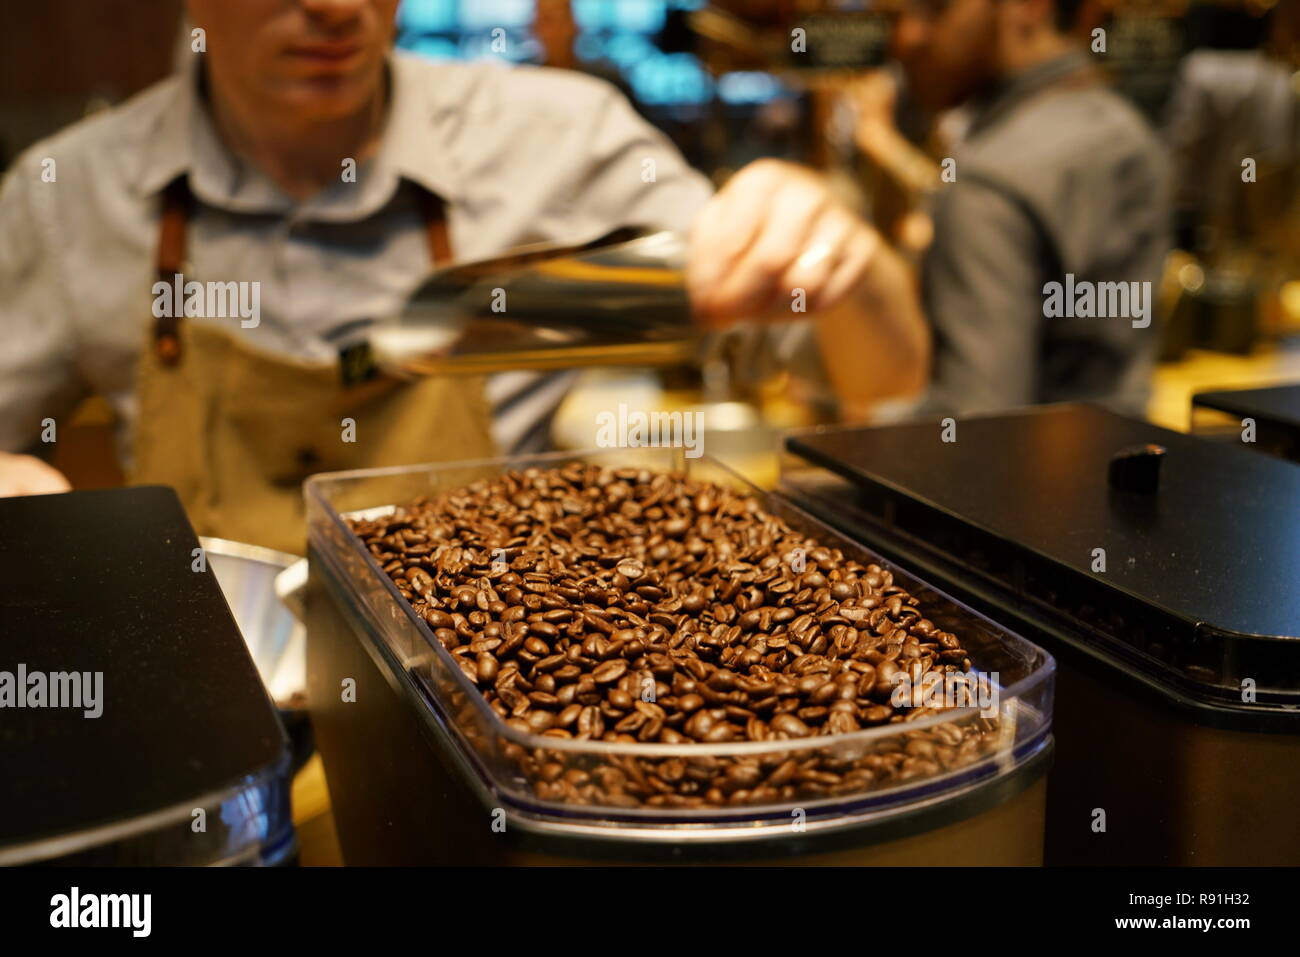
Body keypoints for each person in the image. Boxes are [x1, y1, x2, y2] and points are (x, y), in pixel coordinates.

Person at [0, 0, 924, 551]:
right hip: (212, 701)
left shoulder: (555, 142)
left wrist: (844, 257)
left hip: (506, 675)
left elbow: (878, 376)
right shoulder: (68, 193)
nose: (336, 7)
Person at [847, 0, 1172, 418]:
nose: (906, 35)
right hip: (1122, 461)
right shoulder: (1128, 130)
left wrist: (854, 419)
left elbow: (977, 424)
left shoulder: (989, 183)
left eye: (934, 8)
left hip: (1023, 478)